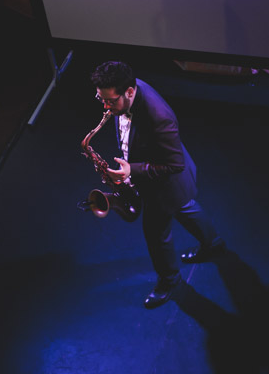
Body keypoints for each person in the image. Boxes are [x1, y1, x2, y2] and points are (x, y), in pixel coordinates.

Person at [89, 61, 226, 309]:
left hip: (165, 184)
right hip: (174, 184)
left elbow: (174, 165)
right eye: (101, 100)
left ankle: (170, 281)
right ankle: (214, 244)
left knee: (155, 234)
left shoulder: (159, 117)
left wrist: (133, 171)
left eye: (110, 101)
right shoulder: (127, 92)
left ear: (129, 92)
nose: (106, 107)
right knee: (185, 207)